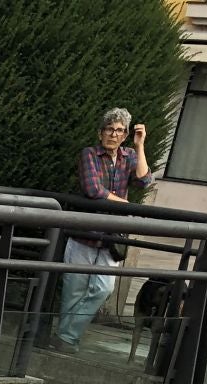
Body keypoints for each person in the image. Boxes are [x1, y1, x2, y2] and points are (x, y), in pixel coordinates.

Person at [50, 107, 148, 351]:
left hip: (111, 236)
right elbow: (93, 190)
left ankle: (65, 336)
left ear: (125, 135)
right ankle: (67, 341)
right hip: (84, 232)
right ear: (100, 132)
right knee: (74, 290)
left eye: (119, 130)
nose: (114, 134)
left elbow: (144, 180)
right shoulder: (89, 154)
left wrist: (140, 146)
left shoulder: (129, 156)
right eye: (109, 129)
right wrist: (125, 204)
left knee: (103, 288)